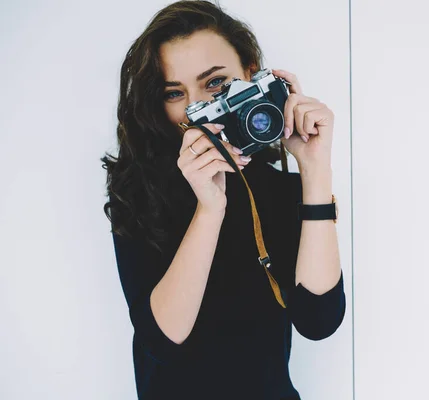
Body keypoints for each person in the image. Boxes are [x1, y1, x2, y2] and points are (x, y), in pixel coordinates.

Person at [100, 1, 346, 399]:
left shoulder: (280, 189)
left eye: (215, 83)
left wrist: (315, 170)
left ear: (251, 72)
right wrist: (210, 208)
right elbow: (162, 341)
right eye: (174, 92)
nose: (198, 108)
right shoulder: (137, 190)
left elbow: (319, 321)